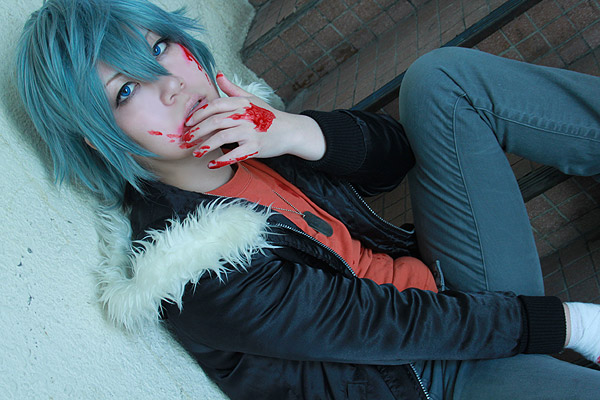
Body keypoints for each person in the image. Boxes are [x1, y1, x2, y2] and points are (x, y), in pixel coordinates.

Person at [16, 0, 600, 398]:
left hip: (452, 290)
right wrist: (568, 324)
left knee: (441, 82)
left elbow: (399, 156)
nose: (170, 84)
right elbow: (381, 327)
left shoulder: (246, 133)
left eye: (161, 46)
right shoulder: (192, 268)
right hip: (428, 377)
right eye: (126, 90)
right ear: (97, 137)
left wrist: (293, 132)